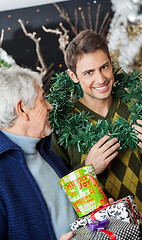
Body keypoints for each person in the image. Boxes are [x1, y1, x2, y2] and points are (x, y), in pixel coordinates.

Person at [51, 30, 142, 240]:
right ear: (73, 76)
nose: (100, 78)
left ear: (111, 63)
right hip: (106, 236)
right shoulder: (63, 126)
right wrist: (88, 171)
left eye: (104, 67)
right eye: (88, 72)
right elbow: (59, 192)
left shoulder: (135, 105)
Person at [0, 66, 78, 240]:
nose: (50, 106)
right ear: (22, 109)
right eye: (42, 100)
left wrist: (101, 214)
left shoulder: (45, 152)